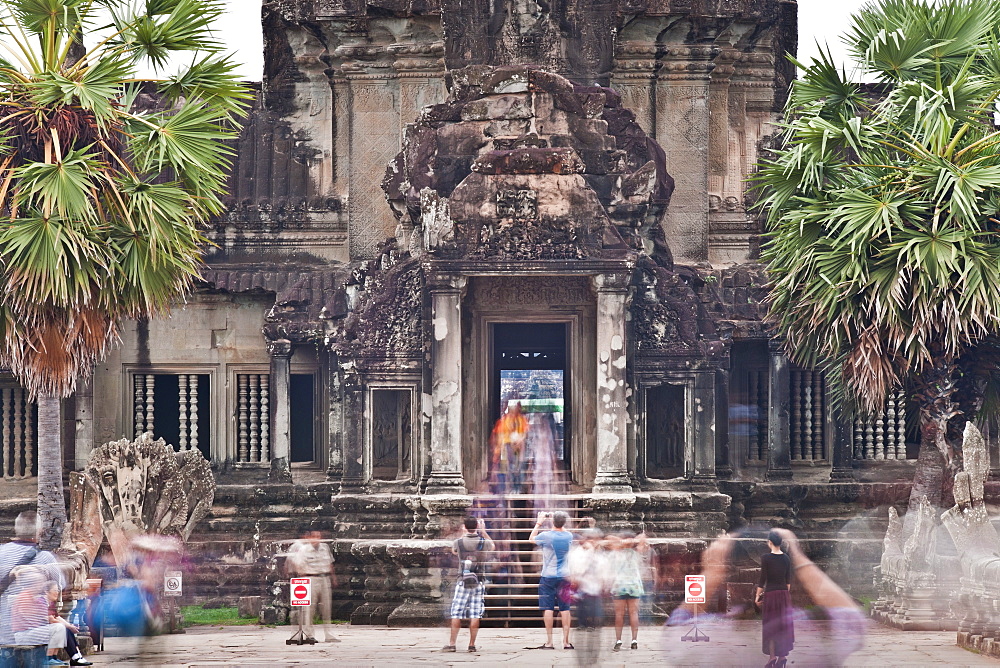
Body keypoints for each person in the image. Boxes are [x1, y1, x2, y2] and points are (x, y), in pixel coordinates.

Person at [0, 511, 64, 647]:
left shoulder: (1, 553)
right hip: (33, 632)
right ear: (39, 531)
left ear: (16, 530)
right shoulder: (46, 558)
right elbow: (59, 586)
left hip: (3, 629)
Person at [442, 517, 494, 653]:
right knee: (475, 614)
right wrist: (483, 531)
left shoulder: (458, 542)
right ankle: (471, 645)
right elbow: (493, 546)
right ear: (477, 526)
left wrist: (463, 533)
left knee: (456, 613)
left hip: (463, 581)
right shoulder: (483, 542)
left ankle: (452, 644)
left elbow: (454, 551)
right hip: (479, 581)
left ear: (465, 526)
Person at [529, 510, 574, 650]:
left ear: (552, 522)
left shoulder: (546, 536)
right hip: (565, 576)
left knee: (548, 608)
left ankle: (549, 641)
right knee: (565, 609)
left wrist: (540, 521)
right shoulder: (568, 535)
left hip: (548, 576)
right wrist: (558, 519)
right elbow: (563, 528)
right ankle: (566, 642)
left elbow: (531, 539)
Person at [286, 530, 339, 643]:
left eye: (318, 536)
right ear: (309, 538)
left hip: (324, 577)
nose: (316, 539)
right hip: (310, 578)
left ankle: (329, 634)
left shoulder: (325, 547)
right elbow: (297, 564)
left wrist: (333, 577)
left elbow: (330, 563)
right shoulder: (304, 549)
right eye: (314, 536)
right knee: (309, 608)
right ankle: (309, 634)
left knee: (326, 608)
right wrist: (303, 577)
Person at [566, 528, 608, 665]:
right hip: (582, 594)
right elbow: (576, 572)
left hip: (596, 594)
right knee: (582, 627)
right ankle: (582, 659)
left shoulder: (601, 556)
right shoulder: (577, 554)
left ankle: (593, 656)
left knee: (596, 626)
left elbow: (605, 574)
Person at [10, 572, 68, 665]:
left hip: (32, 631)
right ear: (33, 584)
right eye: (40, 583)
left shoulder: (34, 597)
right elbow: (29, 619)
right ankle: (49, 658)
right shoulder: (24, 597)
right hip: (24, 634)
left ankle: (53, 656)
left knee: (60, 627)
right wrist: (45, 620)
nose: (41, 586)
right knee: (58, 628)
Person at [755, 530, 794, 668]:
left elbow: (762, 580)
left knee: (771, 627)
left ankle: (772, 658)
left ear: (770, 542)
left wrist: (757, 596)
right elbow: (788, 583)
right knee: (782, 626)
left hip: (770, 595)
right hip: (783, 595)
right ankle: (782, 657)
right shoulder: (786, 559)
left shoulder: (766, 558)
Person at [608, 531, 648, 651]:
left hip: (619, 585)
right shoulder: (636, 552)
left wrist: (622, 542)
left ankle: (618, 640)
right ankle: (634, 640)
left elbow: (609, 538)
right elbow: (642, 538)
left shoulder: (616, 553)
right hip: (634, 585)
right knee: (634, 613)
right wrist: (632, 541)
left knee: (619, 614)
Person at [43, 581, 92, 666]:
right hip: (41, 628)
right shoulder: (42, 602)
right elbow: (51, 619)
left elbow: (56, 616)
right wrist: (68, 626)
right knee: (62, 628)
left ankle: (76, 655)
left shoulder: (51, 603)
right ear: (46, 592)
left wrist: (69, 626)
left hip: (49, 627)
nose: (57, 593)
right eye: (54, 590)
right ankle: (71, 657)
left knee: (67, 628)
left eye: (58, 590)